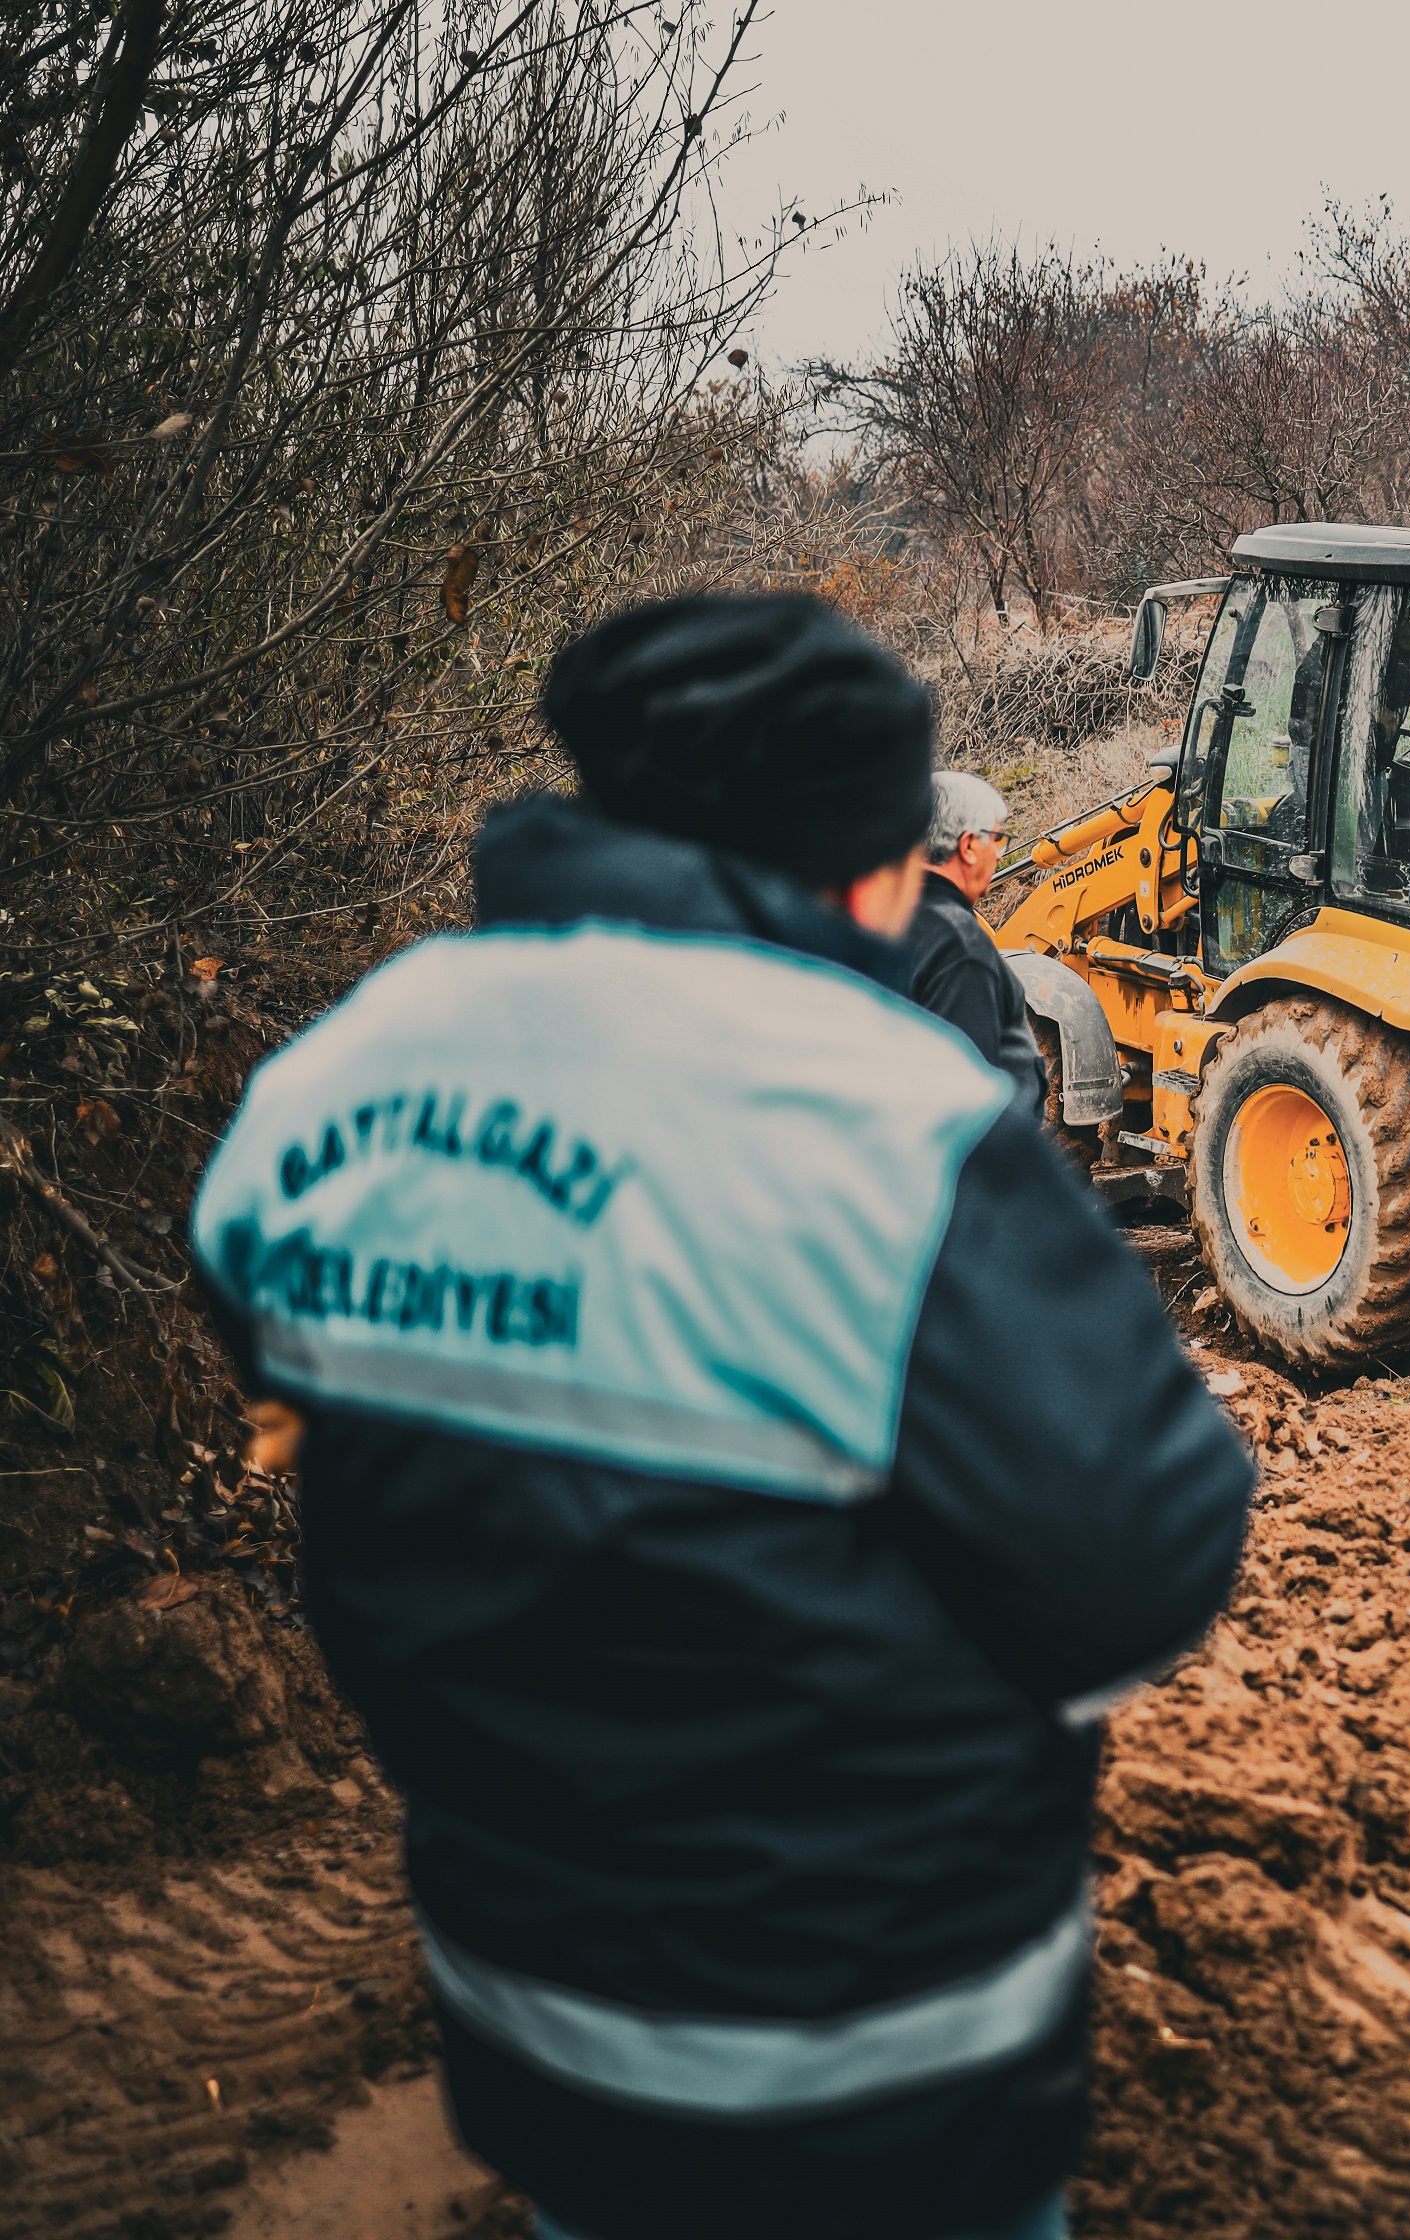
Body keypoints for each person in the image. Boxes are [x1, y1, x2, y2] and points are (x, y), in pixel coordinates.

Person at [189, 592, 1253, 2240]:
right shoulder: (891, 1132)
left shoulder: (343, 1074)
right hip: (882, 2060)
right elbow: (1142, 1565)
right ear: (874, 867)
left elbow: (271, 1335)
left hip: (533, 2009)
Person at [904, 768, 1044, 1109]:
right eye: (995, 838)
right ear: (967, 846)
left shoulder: (896, 919)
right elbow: (967, 1099)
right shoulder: (958, 945)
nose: (998, 853)